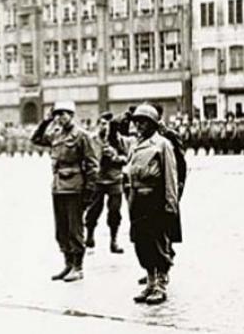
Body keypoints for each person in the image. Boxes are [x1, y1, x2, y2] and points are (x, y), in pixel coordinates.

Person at [31, 101, 102, 282]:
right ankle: (68, 263)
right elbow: (36, 139)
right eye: (57, 114)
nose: (60, 118)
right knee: (61, 229)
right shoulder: (56, 134)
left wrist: (89, 193)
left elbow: (93, 165)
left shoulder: (82, 136)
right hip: (58, 187)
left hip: (75, 188)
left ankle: (78, 267)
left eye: (63, 114)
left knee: (75, 229)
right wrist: (46, 121)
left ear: (71, 115)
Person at [125, 104, 182, 305]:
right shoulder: (134, 145)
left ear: (152, 124)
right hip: (137, 200)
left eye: (143, 122)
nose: (138, 125)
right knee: (141, 244)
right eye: (136, 121)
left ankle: (160, 284)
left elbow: (170, 176)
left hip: (154, 200)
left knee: (158, 243)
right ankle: (149, 281)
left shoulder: (163, 144)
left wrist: (170, 203)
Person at [84, 112, 128, 254]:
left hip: (115, 179)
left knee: (115, 211)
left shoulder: (119, 139)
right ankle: (89, 236)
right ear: (98, 124)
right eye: (102, 123)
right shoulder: (92, 139)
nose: (105, 127)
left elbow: (127, 158)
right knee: (93, 210)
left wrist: (115, 156)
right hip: (98, 179)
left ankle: (113, 241)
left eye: (108, 123)